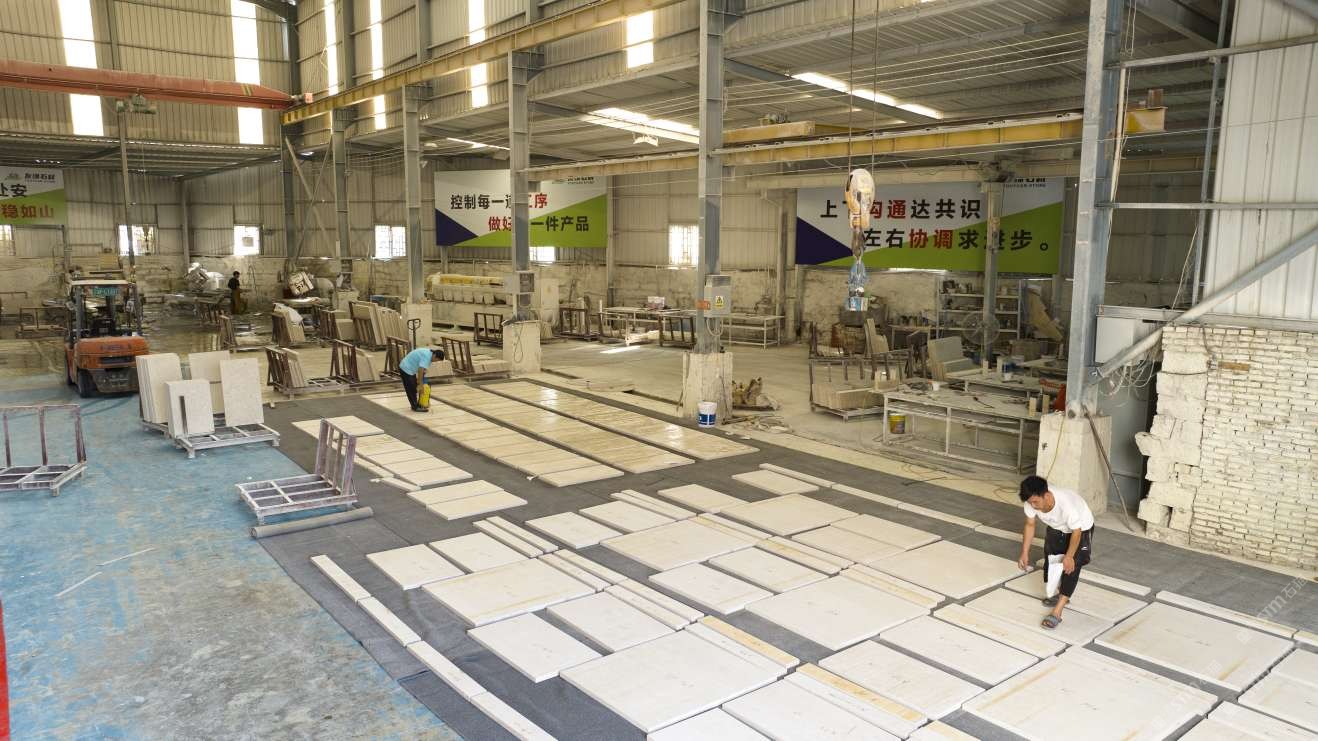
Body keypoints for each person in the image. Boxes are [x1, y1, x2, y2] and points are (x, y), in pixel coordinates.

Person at [1017, 475, 1095, 630]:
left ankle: (1058, 611)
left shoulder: (1066, 505)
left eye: (1035, 502)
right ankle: (1060, 593)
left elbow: (1077, 532)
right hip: (1057, 527)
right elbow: (1030, 525)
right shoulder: (1031, 501)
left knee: (1071, 566)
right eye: (1030, 502)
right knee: (1052, 561)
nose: (1033, 506)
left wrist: (1070, 556)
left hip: (1081, 528)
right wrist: (1024, 553)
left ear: (1046, 496)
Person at [398, 345, 444, 412]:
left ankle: (419, 403)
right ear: (435, 355)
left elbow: (423, 370)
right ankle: (415, 407)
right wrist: (420, 384)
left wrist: (422, 382)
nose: (435, 362)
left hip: (410, 369)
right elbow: (420, 370)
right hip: (406, 368)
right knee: (411, 388)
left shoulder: (429, 354)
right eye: (436, 360)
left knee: (415, 386)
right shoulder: (427, 357)